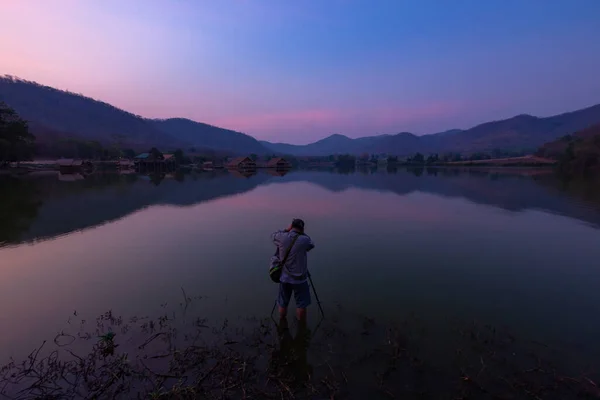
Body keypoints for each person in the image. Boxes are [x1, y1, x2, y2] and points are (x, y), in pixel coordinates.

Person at [271, 218, 315, 322]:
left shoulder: (282, 237)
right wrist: (303, 234)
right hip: (300, 279)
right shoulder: (304, 240)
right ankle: (302, 326)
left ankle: (282, 321)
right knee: (301, 304)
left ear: (291, 226)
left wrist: (286, 229)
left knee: (282, 302)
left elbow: (273, 235)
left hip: (284, 278)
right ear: (302, 228)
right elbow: (311, 244)